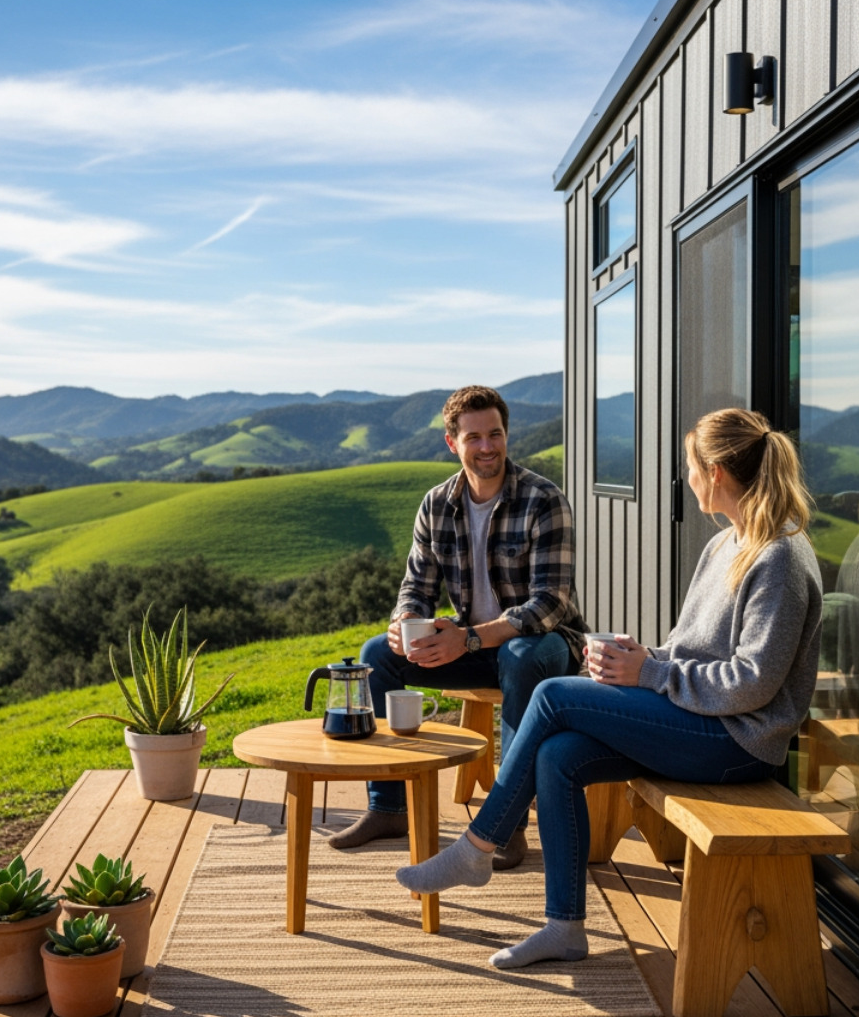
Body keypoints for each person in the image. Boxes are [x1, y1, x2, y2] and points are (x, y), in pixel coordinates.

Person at [394, 408, 823, 968]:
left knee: (552, 695)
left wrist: (649, 674)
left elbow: (753, 684)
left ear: (716, 473)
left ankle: (477, 846)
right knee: (559, 754)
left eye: (690, 467)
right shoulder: (726, 545)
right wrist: (640, 658)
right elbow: (689, 648)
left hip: (738, 742)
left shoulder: (779, 558)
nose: (686, 478)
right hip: (699, 717)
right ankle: (565, 927)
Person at [329, 384, 587, 870]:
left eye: (495, 434)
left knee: (521, 655)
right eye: (474, 437)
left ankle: (506, 827)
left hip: (545, 646)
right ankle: (388, 808)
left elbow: (551, 603)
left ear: (507, 435)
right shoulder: (436, 504)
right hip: (471, 645)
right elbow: (415, 587)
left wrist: (469, 638)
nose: (487, 446)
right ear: (453, 443)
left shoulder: (543, 499)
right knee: (374, 657)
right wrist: (403, 621)